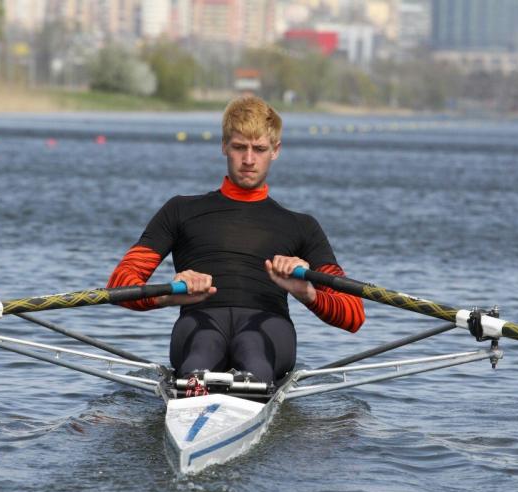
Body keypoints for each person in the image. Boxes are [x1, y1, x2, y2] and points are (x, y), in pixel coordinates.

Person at [108, 96, 364, 384]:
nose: (249, 159)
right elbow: (121, 284)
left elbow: (354, 314)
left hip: (269, 327)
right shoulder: (180, 210)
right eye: (240, 147)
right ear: (224, 146)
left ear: (276, 150)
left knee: (253, 346)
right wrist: (170, 296)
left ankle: (240, 388)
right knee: (202, 347)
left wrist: (306, 292)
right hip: (199, 322)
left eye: (260, 149)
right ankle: (196, 389)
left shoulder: (301, 226)